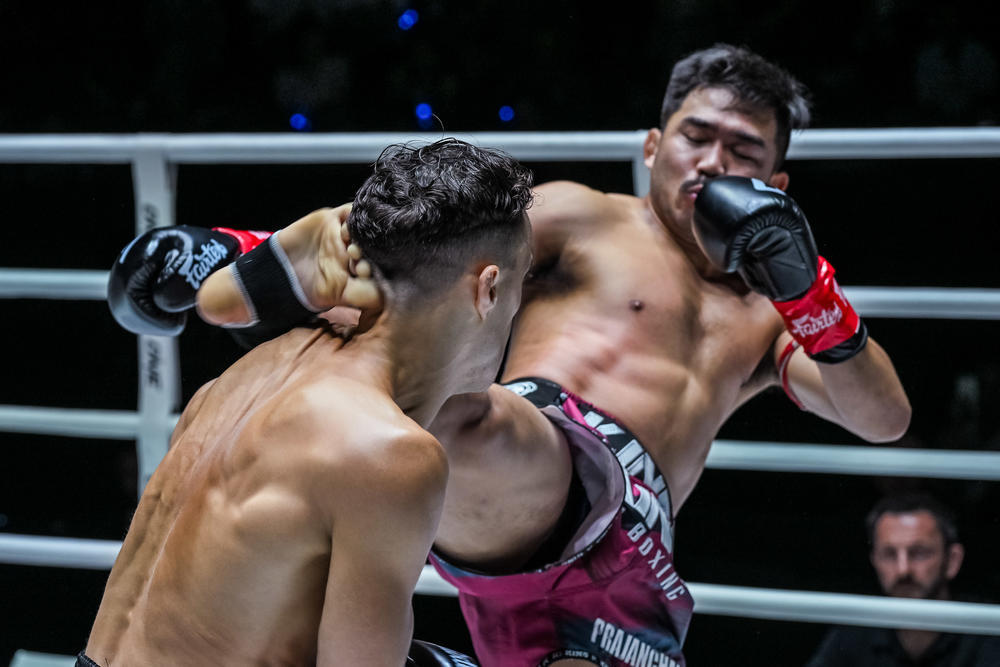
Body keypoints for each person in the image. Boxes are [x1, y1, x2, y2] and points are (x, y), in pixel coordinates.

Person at [111, 44, 912, 666]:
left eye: (743, 150)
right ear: (652, 145)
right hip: (534, 454)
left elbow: (882, 418)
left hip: (630, 557)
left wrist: (807, 289)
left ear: (776, 182)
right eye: (696, 137)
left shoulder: (772, 310)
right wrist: (232, 246)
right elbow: (430, 245)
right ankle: (250, 263)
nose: (712, 164)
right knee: (439, 389)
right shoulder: (592, 218)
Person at [88, 138, 533, 667]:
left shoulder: (250, 372)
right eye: (523, 279)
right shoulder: (391, 452)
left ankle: (262, 258)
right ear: (488, 289)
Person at [806, 494, 1000, 666]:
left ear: (952, 560)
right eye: (889, 554)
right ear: (874, 561)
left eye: (919, 553)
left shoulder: (986, 628)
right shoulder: (855, 631)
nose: (903, 570)